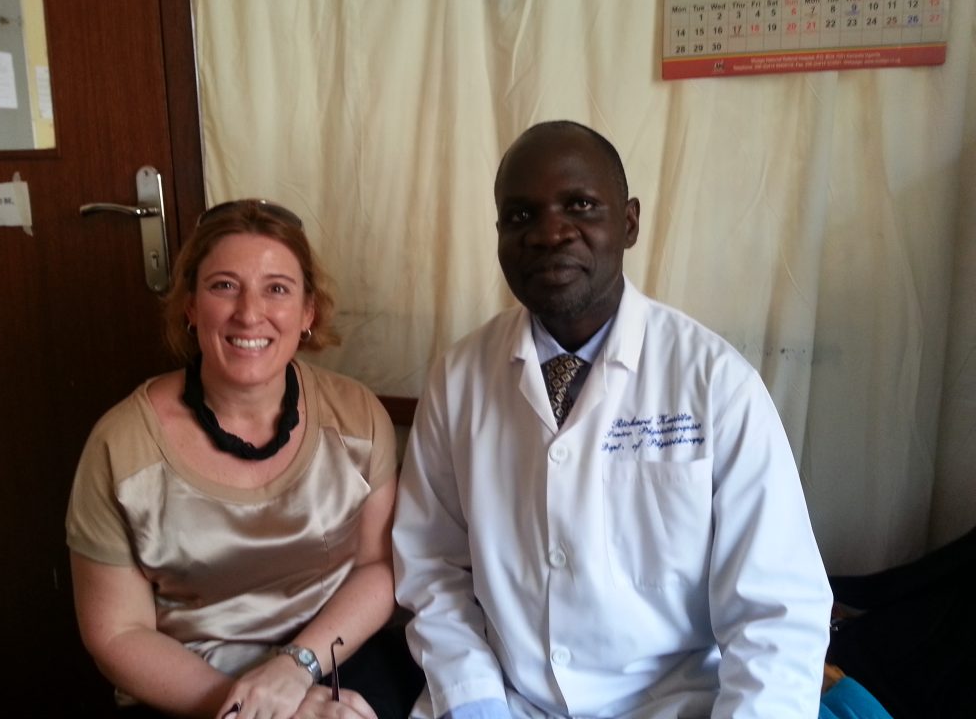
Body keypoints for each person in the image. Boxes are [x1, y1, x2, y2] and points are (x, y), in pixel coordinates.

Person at [392, 121, 833, 719]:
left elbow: (776, 611)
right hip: (508, 701)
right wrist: (473, 699)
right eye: (520, 216)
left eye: (579, 205)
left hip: (675, 704)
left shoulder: (715, 383)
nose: (549, 233)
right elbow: (431, 564)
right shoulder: (458, 378)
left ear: (628, 223)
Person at [67, 200, 417, 719]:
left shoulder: (356, 415)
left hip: (334, 657)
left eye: (277, 289)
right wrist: (257, 706)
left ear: (307, 312)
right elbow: (116, 633)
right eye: (224, 286)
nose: (249, 313)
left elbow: (378, 568)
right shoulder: (120, 445)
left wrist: (296, 669)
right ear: (190, 307)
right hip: (186, 688)